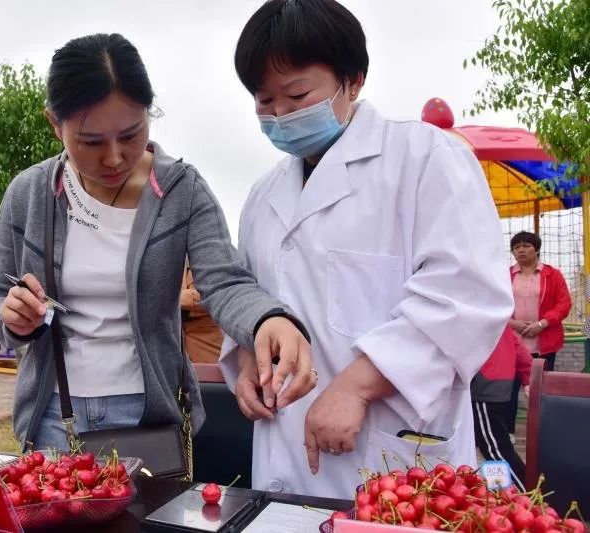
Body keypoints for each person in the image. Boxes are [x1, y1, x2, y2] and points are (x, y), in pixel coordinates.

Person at [220, 0, 513, 499]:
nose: (281, 115)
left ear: (353, 81)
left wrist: (357, 385)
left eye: (296, 95)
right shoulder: (262, 197)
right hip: (284, 447)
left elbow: (467, 295)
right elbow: (250, 298)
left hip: (394, 449)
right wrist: (247, 358)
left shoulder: (425, 159)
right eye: (265, 102)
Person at [0, 33, 312, 452]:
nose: (115, 157)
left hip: (148, 416)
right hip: (52, 414)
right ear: (54, 124)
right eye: (91, 142)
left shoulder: (181, 191)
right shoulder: (29, 194)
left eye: (131, 134)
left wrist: (268, 319)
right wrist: (13, 318)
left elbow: (224, 282)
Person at [506, 230, 571, 434]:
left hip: (543, 342)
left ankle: (542, 432)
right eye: (516, 247)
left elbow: (564, 304)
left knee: (540, 389)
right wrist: (512, 323)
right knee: (509, 390)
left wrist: (542, 323)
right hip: (512, 342)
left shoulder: (553, 274)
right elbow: (494, 305)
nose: (521, 250)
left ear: (537, 249)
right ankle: (508, 432)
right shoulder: (504, 275)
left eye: (526, 245)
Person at [471, 325, 532, 491]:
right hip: (497, 383)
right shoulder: (498, 316)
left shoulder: (479, 315)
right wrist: (527, 376)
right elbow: (518, 346)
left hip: (484, 386)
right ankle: (502, 493)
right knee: (486, 448)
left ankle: (528, 496)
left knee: (495, 449)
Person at [180, 265, 224, 363]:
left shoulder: (208, 258)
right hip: (171, 355)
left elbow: (216, 294)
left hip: (206, 349)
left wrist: (172, 299)